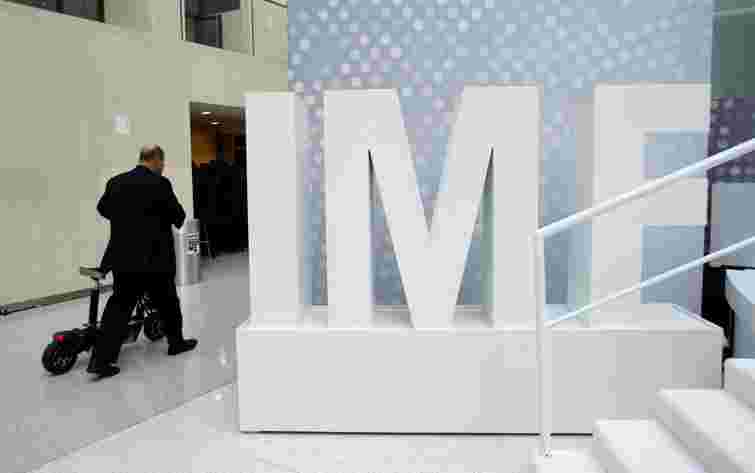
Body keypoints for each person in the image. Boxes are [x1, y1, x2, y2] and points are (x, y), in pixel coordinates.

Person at [88, 145, 198, 379]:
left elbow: (103, 209)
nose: (163, 167)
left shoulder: (115, 182)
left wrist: (126, 219)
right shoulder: (160, 184)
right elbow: (179, 217)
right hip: (156, 260)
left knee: (118, 308)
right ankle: (176, 343)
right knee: (168, 303)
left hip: (124, 259)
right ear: (156, 160)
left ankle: (101, 360)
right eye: (162, 163)